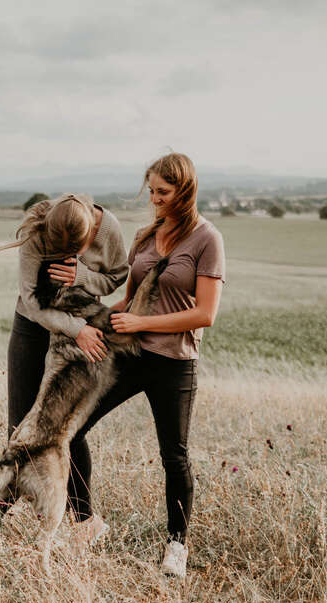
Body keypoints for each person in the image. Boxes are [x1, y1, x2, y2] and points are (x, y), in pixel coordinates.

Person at [74, 152, 225, 577]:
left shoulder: (207, 239)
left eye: (163, 192)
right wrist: (86, 322)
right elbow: (128, 300)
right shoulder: (144, 237)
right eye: (152, 192)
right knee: (74, 428)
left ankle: (177, 546)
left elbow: (205, 314)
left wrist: (142, 323)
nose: (155, 200)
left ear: (185, 191)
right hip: (131, 355)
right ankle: (86, 522)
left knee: (174, 456)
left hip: (175, 362)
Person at [0, 193, 129, 546]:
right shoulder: (37, 232)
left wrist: (83, 276)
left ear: (90, 232)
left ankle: (84, 522)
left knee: (65, 426)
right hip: (35, 327)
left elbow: (117, 276)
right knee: (22, 425)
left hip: (83, 329)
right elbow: (32, 301)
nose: (70, 255)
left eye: (77, 251)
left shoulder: (108, 227)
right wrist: (75, 329)